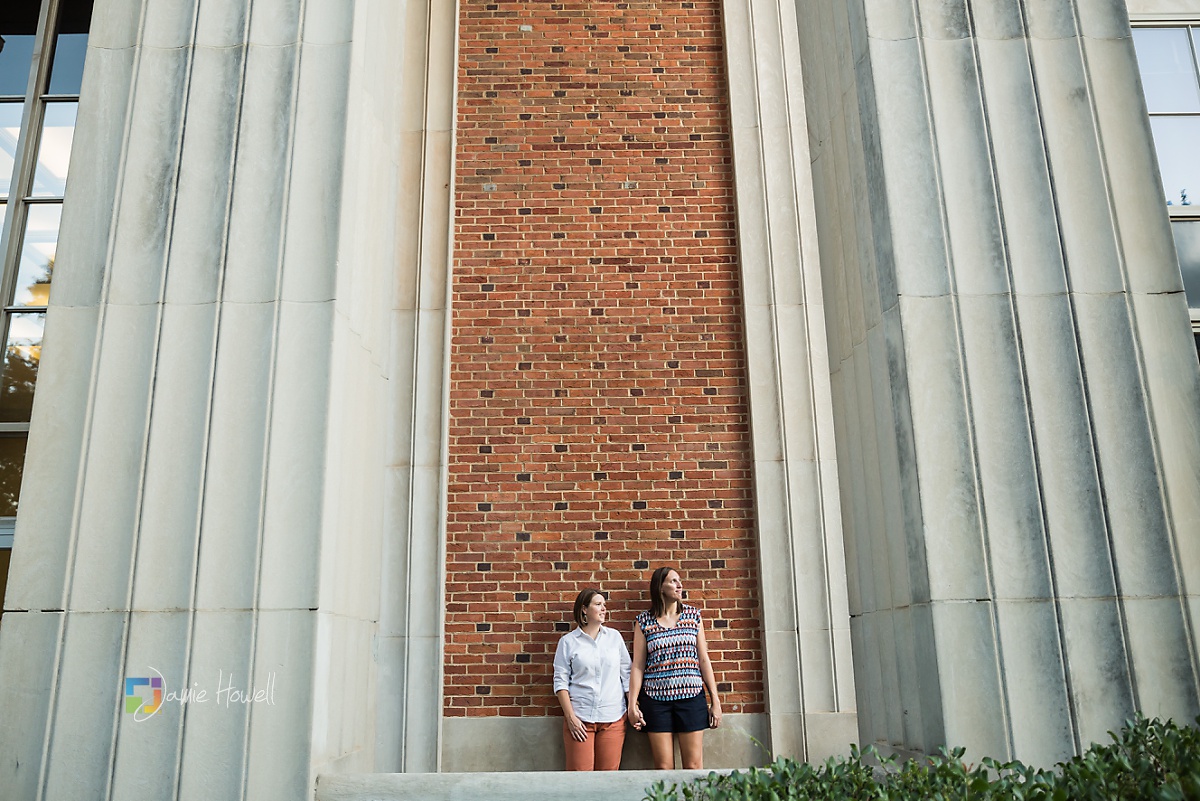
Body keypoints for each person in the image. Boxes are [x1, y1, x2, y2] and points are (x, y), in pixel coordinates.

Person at [627, 566, 722, 770]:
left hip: (691, 697)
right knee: (663, 768)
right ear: (660, 587)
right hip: (655, 701)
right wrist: (632, 705)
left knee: (694, 766)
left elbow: (704, 660)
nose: (680, 585)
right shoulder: (643, 621)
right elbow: (638, 665)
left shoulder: (693, 616)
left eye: (679, 580)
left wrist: (715, 700)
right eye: (673, 581)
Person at [552, 588, 632, 770]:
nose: (603, 608)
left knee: (608, 778)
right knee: (579, 781)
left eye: (604, 605)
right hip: (580, 719)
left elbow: (627, 674)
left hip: (612, 718)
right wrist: (571, 717)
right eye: (598, 604)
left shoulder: (614, 637)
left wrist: (632, 707)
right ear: (584, 609)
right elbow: (560, 682)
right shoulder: (568, 642)